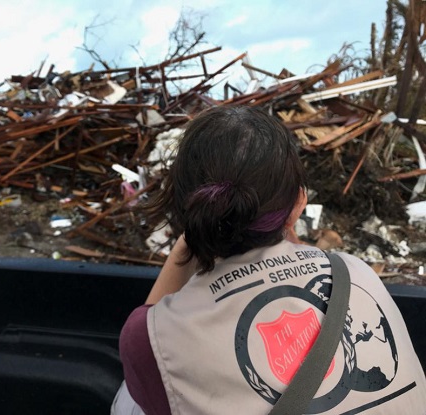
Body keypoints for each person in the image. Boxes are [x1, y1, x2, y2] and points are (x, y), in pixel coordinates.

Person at [113, 106, 426, 414]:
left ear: (185, 208)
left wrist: (189, 240)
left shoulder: (152, 337)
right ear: (299, 203)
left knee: (132, 398)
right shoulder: (357, 272)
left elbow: (147, 334)